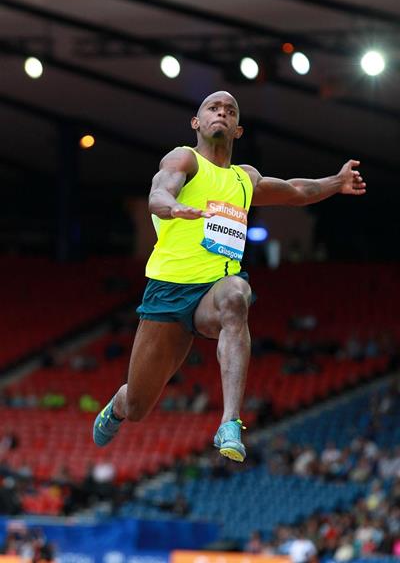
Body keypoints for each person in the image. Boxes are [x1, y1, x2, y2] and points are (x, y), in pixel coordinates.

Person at [93, 90, 366, 462]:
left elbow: (296, 190)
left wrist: (337, 181)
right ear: (197, 122)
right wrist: (173, 207)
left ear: (238, 129)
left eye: (230, 110)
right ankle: (118, 405)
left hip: (214, 292)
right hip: (168, 293)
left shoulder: (244, 179)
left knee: (237, 296)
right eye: (213, 108)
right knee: (138, 406)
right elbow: (159, 192)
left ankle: (230, 422)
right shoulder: (183, 159)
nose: (221, 112)